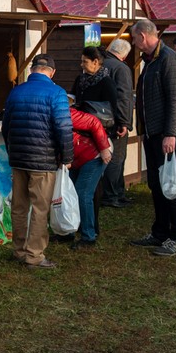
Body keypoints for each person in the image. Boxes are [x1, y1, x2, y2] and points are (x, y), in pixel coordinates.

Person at [128, 20, 176, 257]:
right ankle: (160, 232)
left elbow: (175, 99)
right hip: (154, 132)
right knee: (156, 184)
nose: (133, 43)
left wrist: (170, 134)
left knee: (170, 184)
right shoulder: (152, 61)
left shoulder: (168, 59)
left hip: (167, 133)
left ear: (143, 36)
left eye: (134, 38)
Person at [2, 54, 74, 269]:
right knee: (41, 208)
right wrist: (67, 157)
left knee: (19, 207)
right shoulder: (57, 93)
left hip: (19, 158)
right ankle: (34, 255)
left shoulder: (16, 92)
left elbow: (6, 127)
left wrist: (11, 150)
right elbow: (64, 129)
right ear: (52, 72)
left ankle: (19, 249)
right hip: (44, 160)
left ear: (32, 70)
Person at [70, 46, 121, 218]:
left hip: (98, 132)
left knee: (93, 183)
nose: (82, 64)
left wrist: (118, 125)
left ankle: (92, 221)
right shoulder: (80, 80)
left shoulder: (106, 82)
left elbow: (113, 108)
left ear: (96, 62)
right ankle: (79, 220)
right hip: (80, 133)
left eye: (85, 61)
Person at [69, 98, 112, 249]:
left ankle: (89, 237)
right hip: (76, 159)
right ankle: (69, 230)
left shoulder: (66, 114)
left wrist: (104, 148)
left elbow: (94, 122)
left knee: (83, 193)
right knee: (70, 193)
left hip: (93, 155)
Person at [99, 39, 135, 208]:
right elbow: (124, 97)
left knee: (105, 156)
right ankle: (113, 195)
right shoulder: (121, 68)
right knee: (117, 158)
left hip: (99, 119)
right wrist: (125, 122)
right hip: (115, 120)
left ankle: (116, 193)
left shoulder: (100, 63)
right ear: (124, 54)